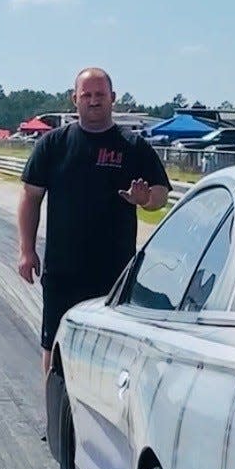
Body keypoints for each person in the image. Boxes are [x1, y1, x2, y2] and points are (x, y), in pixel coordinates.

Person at [17, 67, 171, 375]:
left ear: (113, 98)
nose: (93, 100)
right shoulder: (53, 145)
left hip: (115, 274)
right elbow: (30, 197)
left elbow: (161, 195)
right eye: (86, 95)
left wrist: (144, 200)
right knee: (53, 347)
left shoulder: (132, 146)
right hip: (64, 271)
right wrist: (26, 250)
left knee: (114, 350)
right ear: (74, 99)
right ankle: (55, 416)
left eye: (100, 94)